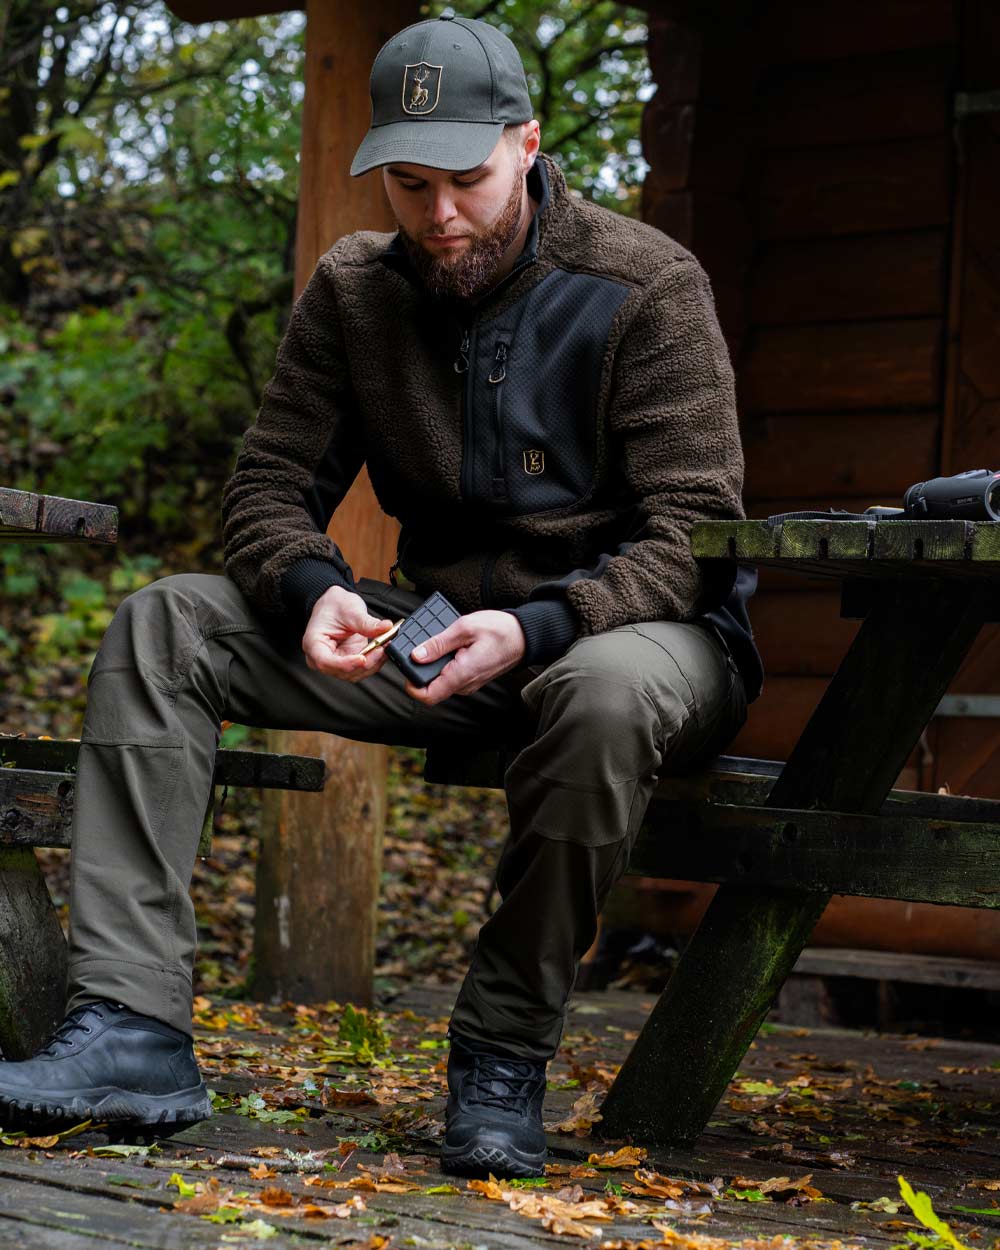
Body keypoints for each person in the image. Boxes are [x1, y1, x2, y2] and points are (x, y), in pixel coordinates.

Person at [0, 14, 763, 1178]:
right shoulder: (354, 290)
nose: (439, 212)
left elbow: (694, 534)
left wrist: (542, 623)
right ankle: (131, 1029)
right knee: (167, 621)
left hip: (638, 638)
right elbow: (266, 484)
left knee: (601, 695)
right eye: (410, 184)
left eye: (465, 178)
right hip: (440, 635)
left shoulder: (646, 285)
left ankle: (500, 1057)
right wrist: (310, 589)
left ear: (527, 142)